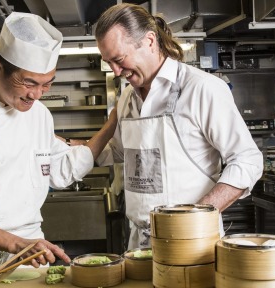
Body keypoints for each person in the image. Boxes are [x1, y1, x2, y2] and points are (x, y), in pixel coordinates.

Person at [0, 12, 117, 266]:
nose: (36, 95)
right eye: (28, 83)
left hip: (32, 256)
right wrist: (16, 244)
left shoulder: (39, 115)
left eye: (47, 84)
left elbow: (62, 168)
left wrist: (112, 123)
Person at [94, 4, 263, 249]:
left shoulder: (202, 89)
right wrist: (67, 149)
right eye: (109, 62)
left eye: (119, 60)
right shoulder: (128, 98)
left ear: (149, 41)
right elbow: (120, 151)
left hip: (193, 241)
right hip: (139, 243)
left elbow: (247, 160)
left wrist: (197, 215)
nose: (116, 71)